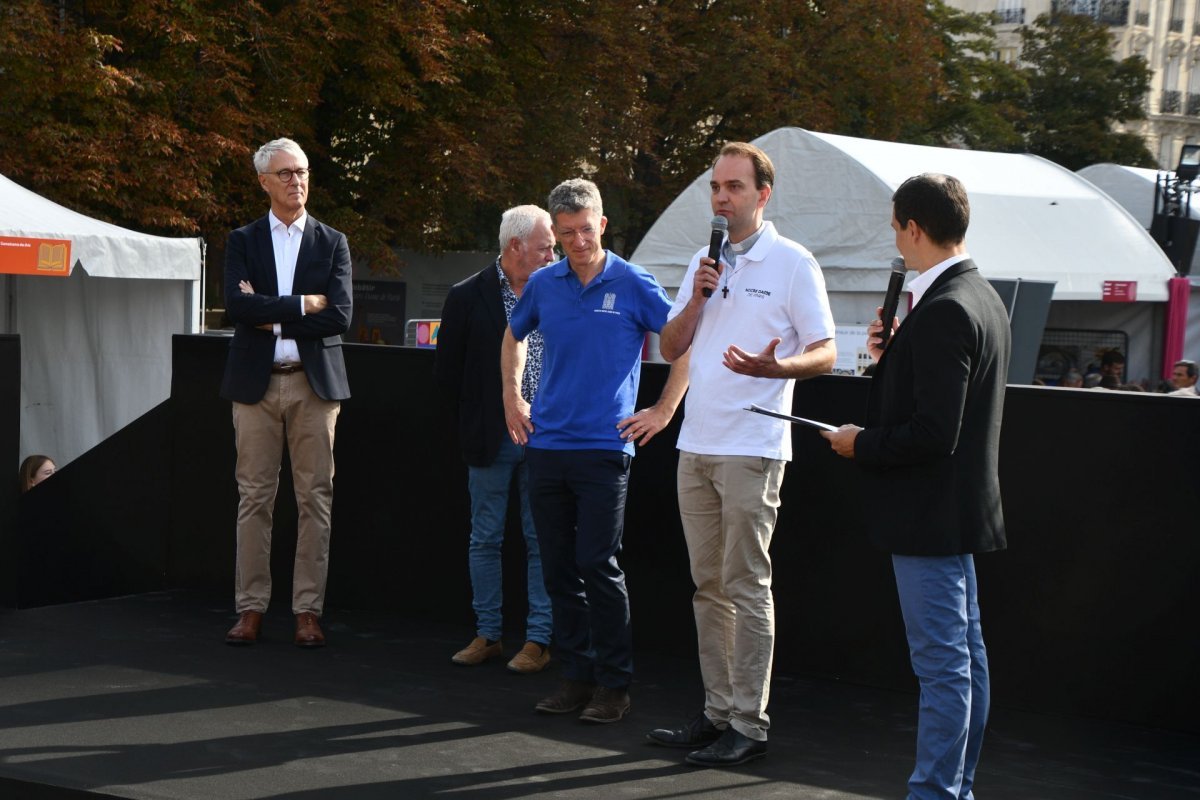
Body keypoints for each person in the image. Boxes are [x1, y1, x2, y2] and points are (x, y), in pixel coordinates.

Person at [821, 174, 1010, 800]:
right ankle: (956, 788)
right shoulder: (981, 297)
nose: (896, 243)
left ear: (913, 229)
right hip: (955, 511)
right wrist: (894, 357)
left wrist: (859, 442)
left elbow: (934, 432)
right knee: (966, 659)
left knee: (944, 667)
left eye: (895, 228)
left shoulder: (946, 310)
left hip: (929, 515)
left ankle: (935, 792)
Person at [648, 141, 836, 768]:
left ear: (763, 194)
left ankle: (748, 726)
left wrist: (776, 366)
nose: (722, 197)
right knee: (707, 586)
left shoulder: (793, 262)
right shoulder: (704, 261)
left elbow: (827, 350)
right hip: (695, 442)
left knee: (745, 585)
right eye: (716, 187)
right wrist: (701, 296)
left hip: (753, 445)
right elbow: (671, 345)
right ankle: (716, 713)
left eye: (733, 187)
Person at [501, 178, 689, 723]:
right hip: (546, 446)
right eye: (566, 234)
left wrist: (663, 411)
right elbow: (513, 336)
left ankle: (615, 685)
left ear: (602, 224)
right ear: (555, 236)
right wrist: (513, 397)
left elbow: (682, 344)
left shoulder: (633, 282)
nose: (578, 241)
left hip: (606, 449)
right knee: (557, 568)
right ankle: (576, 678)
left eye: (586, 229)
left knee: (596, 565)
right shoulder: (544, 284)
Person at [220, 137, 352, 648]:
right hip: (254, 388)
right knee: (254, 499)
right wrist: (301, 307)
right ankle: (250, 608)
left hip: (314, 387)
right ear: (264, 182)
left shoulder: (331, 241)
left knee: (314, 499)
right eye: (286, 173)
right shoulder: (243, 240)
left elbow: (339, 316)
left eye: (302, 171)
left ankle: (307, 612)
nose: (297, 181)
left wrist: (268, 309)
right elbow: (236, 308)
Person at [435, 205, 557, 673]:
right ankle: (488, 634)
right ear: (515, 247)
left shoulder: (562, 289)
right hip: (491, 438)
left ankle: (538, 640)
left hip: (549, 438)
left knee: (540, 538)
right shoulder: (467, 295)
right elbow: (447, 374)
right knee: (485, 537)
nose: (554, 253)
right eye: (546, 245)